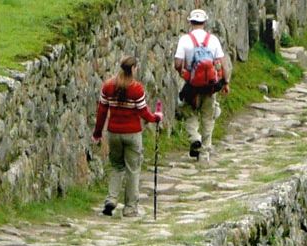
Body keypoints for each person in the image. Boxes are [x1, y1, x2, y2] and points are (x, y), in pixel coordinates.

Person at [95, 56, 164, 218]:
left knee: (117, 167)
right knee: (133, 170)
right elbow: (144, 113)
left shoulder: (108, 86)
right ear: (133, 69)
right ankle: (130, 208)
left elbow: (102, 111)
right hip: (132, 134)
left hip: (113, 133)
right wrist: (157, 117)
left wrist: (97, 132)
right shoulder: (136, 89)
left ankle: (111, 199)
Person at [173, 8, 230, 162]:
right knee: (208, 118)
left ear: (190, 22)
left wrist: (182, 72)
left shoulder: (185, 40)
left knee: (187, 111)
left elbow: (178, 63)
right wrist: (225, 82)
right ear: (205, 22)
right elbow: (223, 63)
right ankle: (204, 154)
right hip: (210, 87)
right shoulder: (213, 40)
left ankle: (194, 137)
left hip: (192, 86)